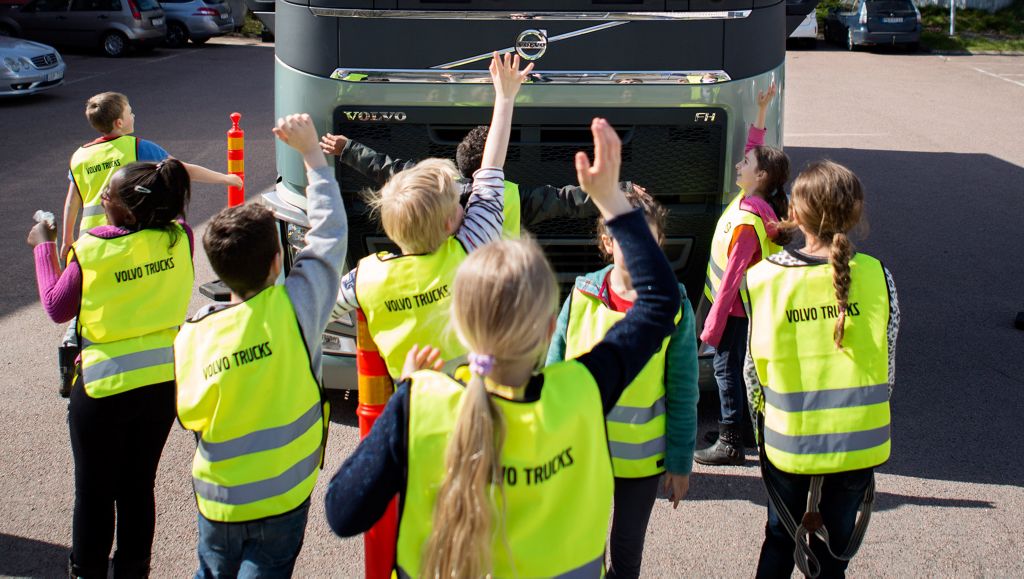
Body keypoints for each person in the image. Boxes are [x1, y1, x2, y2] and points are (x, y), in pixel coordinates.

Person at [324, 117, 680, 578]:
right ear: (550, 325)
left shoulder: (421, 406)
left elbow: (341, 512)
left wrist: (408, 397)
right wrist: (611, 199)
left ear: (462, 326)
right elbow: (659, 301)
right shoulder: (583, 390)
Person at [173, 113, 347, 578]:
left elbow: (190, 413)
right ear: (278, 261)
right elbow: (328, 235)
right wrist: (312, 154)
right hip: (284, 495)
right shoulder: (296, 310)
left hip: (218, 501)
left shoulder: (193, 333)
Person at [30, 159, 196, 578]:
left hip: (104, 388)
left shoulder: (91, 250)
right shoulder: (180, 239)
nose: (101, 198)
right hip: (162, 384)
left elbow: (55, 305)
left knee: (94, 493)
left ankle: (86, 571)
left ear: (129, 208)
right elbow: (164, 220)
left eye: (109, 195)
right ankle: (133, 571)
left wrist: (44, 247)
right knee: (138, 488)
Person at [330, 52, 532, 379]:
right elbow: (491, 165)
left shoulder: (365, 278)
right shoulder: (471, 247)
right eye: (457, 200)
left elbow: (312, 313)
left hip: (417, 409)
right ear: (451, 222)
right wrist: (505, 97)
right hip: (478, 401)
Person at [743, 160, 900, 578]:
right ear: (854, 213)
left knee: (779, 538)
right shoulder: (878, 275)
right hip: (857, 437)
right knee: (835, 552)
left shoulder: (764, 279)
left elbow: (752, 373)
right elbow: (887, 367)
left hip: (789, 438)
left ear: (794, 214)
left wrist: (762, 423)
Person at [545, 185, 698, 578]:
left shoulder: (675, 306)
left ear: (660, 241)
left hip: (640, 464)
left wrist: (680, 463)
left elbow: (683, 391)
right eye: (624, 237)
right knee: (582, 552)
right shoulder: (581, 295)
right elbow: (553, 373)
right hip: (581, 456)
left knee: (627, 555)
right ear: (606, 242)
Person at [56, 92, 242, 396]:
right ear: (119, 121)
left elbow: (72, 198)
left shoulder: (80, 157)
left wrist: (67, 239)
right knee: (127, 292)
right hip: (127, 235)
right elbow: (179, 169)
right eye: (130, 111)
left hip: (90, 241)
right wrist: (226, 179)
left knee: (87, 301)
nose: (134, 115)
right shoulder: (138, 147)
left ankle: (70, 354)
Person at [694, 82, 790, 466]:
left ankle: (732, 438)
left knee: (724, 367)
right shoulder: (756, 200)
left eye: (745, 165)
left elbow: (731, 282)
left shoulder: (749, 221)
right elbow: (754, 149)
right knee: (737, 366)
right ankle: (745, 426)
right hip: (743, 308)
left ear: (761, 177)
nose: (739, 164)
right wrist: (763, 111)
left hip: (733, 310)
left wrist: (711, 327)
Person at [319, 124, 631, 237]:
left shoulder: (431, 185)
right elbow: (566, 201)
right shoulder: (512, 197)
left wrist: (347, 148)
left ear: (458, 160)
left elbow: (386, 168)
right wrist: (622, 193)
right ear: (497, 165)